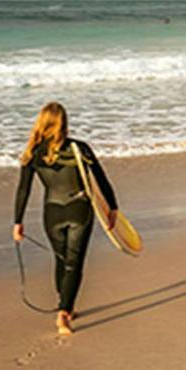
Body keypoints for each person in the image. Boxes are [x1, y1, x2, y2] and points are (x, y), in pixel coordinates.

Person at [13, 102, 117, 335]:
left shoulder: (32, 153)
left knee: (61, 260)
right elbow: (101, 178)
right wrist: (113, 207)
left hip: (52, 213)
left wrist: (17, 222)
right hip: (79, 211)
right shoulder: (80, 148)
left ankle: (65, 303)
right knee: (74, 263)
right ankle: (64, 312)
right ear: (64, 123)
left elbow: (23, 190)